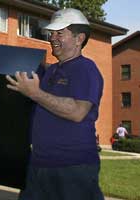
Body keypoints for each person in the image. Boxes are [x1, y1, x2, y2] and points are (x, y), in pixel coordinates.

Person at [6, 8, 104, 200]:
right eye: (51, 33)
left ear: (79, 38)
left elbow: (77, 111)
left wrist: (36, 93)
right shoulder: (51, 71)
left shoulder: (86, 69)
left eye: (60, 33)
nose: (52, 37)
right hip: (39, 165)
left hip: (73, 167)